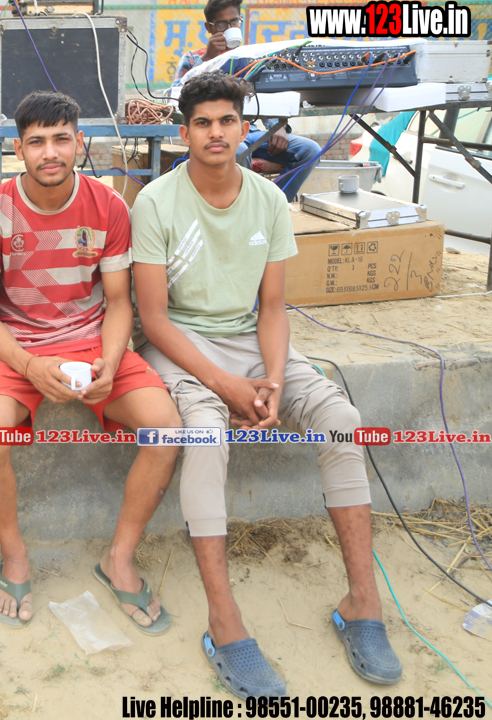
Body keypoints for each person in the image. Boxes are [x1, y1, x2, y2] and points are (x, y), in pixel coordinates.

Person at [132, 70, 402, 697]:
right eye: (203, 123)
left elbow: (273, 307)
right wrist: (225, 385)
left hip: (252, 342)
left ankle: (362, 601)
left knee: (341, 421)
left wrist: (274, 381)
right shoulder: (156, 202)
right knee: (205, 437)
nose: (216, 133)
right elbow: (154, 320)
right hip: (181, 345)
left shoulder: (269, 199)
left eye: (227, 121)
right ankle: (224, 621)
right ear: (184, 133)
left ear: (245, 128)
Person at [0, 90, 181, 630]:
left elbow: (120, 302)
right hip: (16, 348)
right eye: (36, 142)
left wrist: (111, 363)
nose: (50, 152)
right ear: (18, 149)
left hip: (93, 342)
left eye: (61, 139)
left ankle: (119, 558)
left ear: (80, 142)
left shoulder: (109, 207)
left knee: (166, 431)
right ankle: (15, 556)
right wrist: (29, 366)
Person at [171, 0, 321, 201]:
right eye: (222, 25)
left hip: (251, 132)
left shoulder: (251, 58)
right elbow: (176, 97)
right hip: (216, 133)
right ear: (209, 28)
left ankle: (273, 203)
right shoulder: (192, 59)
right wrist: (207, 58)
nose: (230, 29)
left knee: (310, 150)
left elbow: (264, 96)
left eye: (234, 22)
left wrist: (277, 127)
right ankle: (239, 207)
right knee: (237, 149)